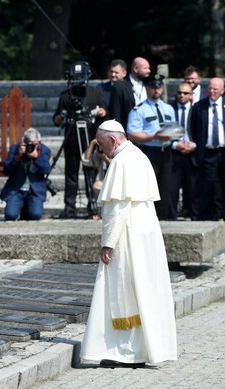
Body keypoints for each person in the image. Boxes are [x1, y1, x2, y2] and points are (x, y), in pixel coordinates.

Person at [80, 120, 177, 368]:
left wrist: (107, 243)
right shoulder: (138, 155)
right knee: (144, 290)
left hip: (128, 235)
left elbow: (118, 208)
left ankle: (127, 353)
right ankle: (145, 350)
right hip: (146, 234)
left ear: (113, 140)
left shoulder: (122, 161)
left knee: (125, 292)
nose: (102, 151)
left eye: (102, 145)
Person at [190, 77, 225, 238]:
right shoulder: (199, 107)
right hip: (208, 153)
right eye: (210, 89)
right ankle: (207, 224)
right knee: (206, 189)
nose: (212, 91)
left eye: (216, 89)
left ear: (222, 90)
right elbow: (194, 128)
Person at [53, 61, 107, 219]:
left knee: (90, 172)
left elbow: (105, 112)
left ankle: (93, 205)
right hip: (71, 139)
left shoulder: (94, 93)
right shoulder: (65, 95)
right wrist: (60, 117)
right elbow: (56, 118)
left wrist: (99, 112)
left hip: (89, 139)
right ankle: (70, 207)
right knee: (71, 174)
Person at [126, 72, 176, 220]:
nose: (156, 90)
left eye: (159, 87)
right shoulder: (139, 110)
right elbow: (132, 134)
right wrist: (153, 136)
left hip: (166, 152)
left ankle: (163, 219)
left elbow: (174, 128)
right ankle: (148, 218)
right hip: (149, 152)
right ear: (147, 88)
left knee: (166, 188)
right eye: (153, 87)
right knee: (148, 188)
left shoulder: (168, 109)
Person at [0, 128, 51, 220]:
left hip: (34, 191)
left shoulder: (44, 150)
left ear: (38, 142)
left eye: (34, 144)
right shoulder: (15, 149)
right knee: (10, 216)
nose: (30, 147)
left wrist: (36, 157)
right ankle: (20, 207)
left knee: (36, 215)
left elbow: (46, 169)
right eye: (28, 144)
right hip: (17, 190)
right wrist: (17, 157)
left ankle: (27, 209)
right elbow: (6, 170)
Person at [170, 82, 197, 219]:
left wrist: (194, 145)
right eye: (179, 92)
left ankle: (191, 212)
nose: (182, 95)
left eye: (185, 93)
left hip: (192, 152)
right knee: (172, 187)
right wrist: (175, 144)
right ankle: (172, 215)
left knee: (192, 186)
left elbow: (201, 131)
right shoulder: (170, 109)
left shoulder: (196, 109)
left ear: (191, 95)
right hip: (174, 152)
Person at [108, 57, 151, 129]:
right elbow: (116, 114)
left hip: (148, 131)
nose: (149, 71)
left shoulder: (149, 86)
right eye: (145, 68)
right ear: (136, 69)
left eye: (148, 68)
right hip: (128, 131)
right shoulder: (119, 87)